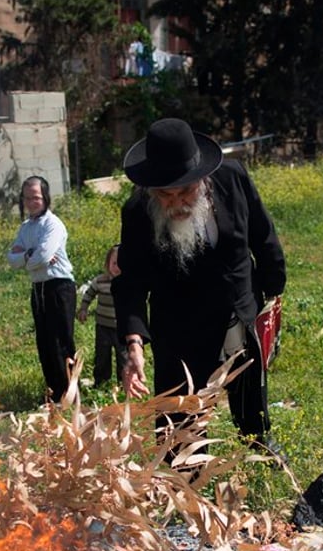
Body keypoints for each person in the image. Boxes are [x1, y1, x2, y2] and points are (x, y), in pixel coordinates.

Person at [113, 118, 286, 453]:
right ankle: (185, 480)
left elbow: (264, 239)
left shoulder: (233, 179)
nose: (178, 203)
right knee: (179, 415)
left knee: (249, 391)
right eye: (166, 194)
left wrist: (271, 298)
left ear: (202, 178)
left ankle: (260, 445)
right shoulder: (137, 211)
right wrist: (133, 341)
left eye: (186, 191)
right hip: (180, 326)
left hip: (239, 309)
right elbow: (131, 280)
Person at [7, 176, 76, 400]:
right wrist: (30, 255)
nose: (31, 201)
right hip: (38, 288)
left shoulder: (52, 224)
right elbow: (12, 259)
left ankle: (70, 393)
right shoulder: (26, 227)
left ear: (45, 197)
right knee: (44, 342)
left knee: (60, 342)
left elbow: (44, 256)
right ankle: (55, 392)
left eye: (35, 197)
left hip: (59, 287)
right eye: (27, 198)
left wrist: (28, 255)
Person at [77, 244, 126, 387]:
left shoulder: (127, 282)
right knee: (102, 355)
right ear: (108, 263)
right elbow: (89, 294)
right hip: (103, 326)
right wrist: (83, 309)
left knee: (123, 356)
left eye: (121, 263)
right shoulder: (100, 281)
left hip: (121, 328)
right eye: (114, 263)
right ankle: (100, 381)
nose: (117, 267)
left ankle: (123, 383)